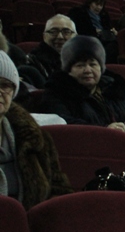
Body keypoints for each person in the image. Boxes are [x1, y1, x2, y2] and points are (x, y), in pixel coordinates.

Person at [40, 36, 125, 139]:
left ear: (101, 68)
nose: (88, 70)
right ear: (68, 70)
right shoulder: (57, 91)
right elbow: (64, 123)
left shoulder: (116, 87)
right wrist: (104, 129)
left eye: (93, 64)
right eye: (80, 65)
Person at [0, 51, 72, 209]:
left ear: (13, 91)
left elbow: (58, 189)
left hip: (29, 221)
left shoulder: (36, 138)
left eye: (5, 85)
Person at [67, 0, 117, 64]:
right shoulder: (79, 12)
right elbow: (78, 29)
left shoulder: (104, 15)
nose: (99, 7)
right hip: (87, 39)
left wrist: (112, 32)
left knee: (114, 45)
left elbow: (108, 28)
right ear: (90, 2)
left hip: (103, 39)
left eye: (101, 5)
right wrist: (95, 31)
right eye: (96, 4)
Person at [27, 14, 76, 84]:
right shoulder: (33, 61)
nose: (60, 37)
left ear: (75, 36)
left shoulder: (84, 58)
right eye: (53, 32)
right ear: (44, 36)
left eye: (66, 32)